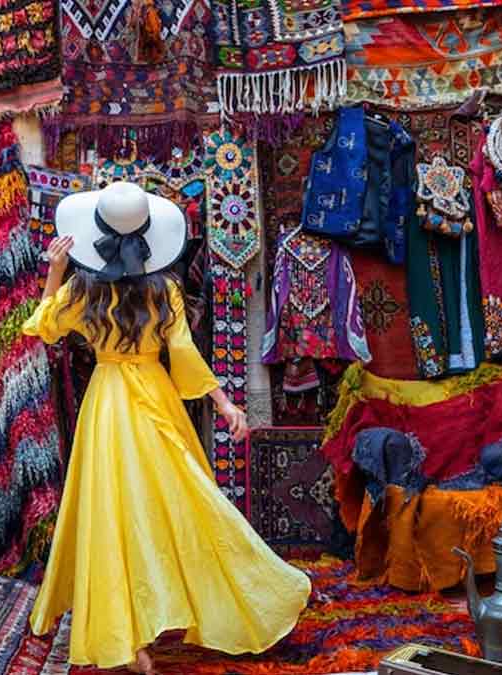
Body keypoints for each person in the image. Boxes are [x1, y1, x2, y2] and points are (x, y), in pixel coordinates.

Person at [24, 182, 311, 673]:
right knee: (182, 501)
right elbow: (184, 354)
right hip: (155, 398)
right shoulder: (166, 288)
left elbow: (43, 327)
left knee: (112, 513)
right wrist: (225, 405)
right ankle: (238, 595)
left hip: (108, 403)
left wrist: (54, 272)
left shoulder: (82, 287)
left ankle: (128, 636)